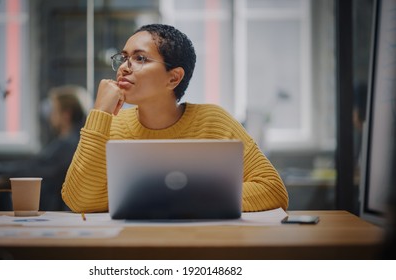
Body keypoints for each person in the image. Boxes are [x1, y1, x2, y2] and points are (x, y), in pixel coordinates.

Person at [61, 24, 288, 213]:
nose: (123, 68)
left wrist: (173, 199)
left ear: (173, 78)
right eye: (123, 58)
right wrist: (100, 112)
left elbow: (272, 190)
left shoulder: (214, 121)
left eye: (139, 58)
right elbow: (79, 201)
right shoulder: (111, 125)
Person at [0, 85, 89, 211]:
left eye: (54, 111)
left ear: (66, 114)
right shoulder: (70, 141)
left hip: (52, 209)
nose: (50, 116)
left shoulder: (69, 144)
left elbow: (33, 169)